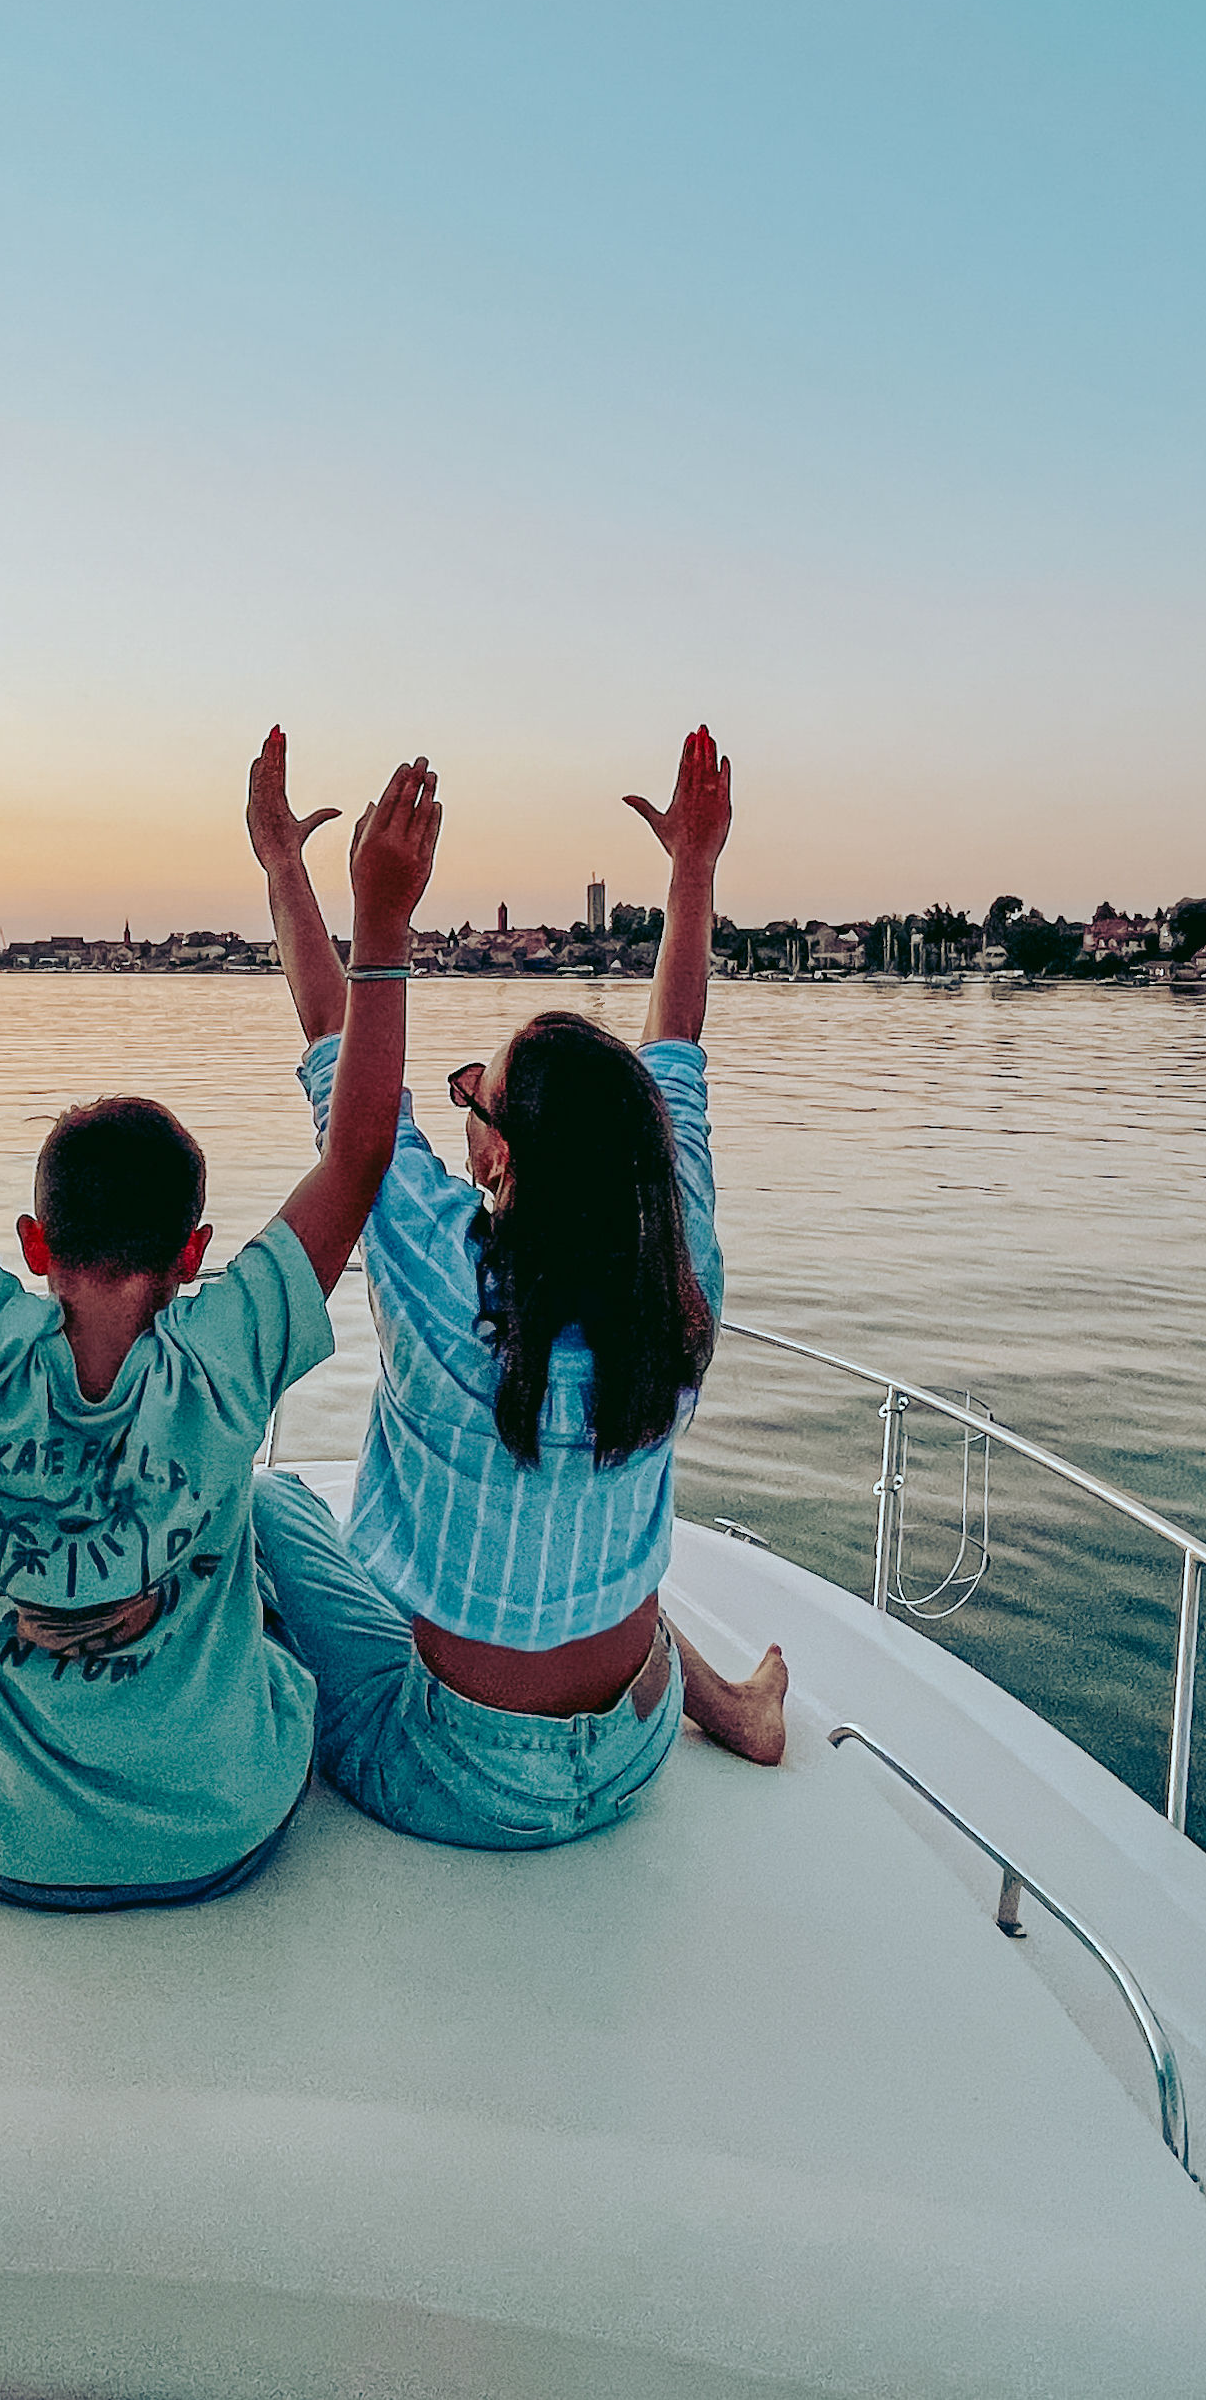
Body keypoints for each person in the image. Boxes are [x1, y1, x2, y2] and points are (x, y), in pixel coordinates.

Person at [0, 693, 442, 1909]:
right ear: (197, 1252)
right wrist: (379, 926)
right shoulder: (225, 1355)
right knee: (255, 1555)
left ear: (29, 1241)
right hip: (225, 1835)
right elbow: (361, 1153)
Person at [243, 720, 785, 1856]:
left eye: (471, 1102)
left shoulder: (442, 1280)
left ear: (500, 1158)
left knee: (267, 1505)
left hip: (458, 1772)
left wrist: (313, 882)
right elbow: (675, 1044)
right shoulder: (682, 1273)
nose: (460, 1118)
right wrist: (695, 870)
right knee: (585, 1523)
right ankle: (726, 1705)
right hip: (632, 1743)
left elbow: (342, 1058)